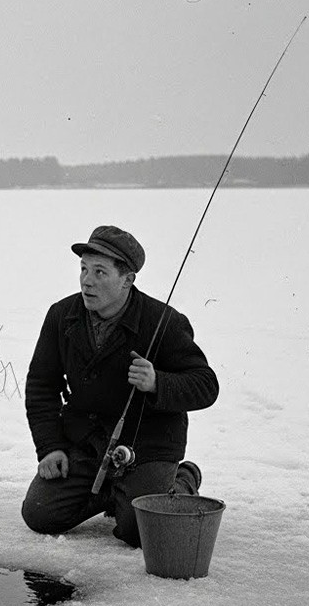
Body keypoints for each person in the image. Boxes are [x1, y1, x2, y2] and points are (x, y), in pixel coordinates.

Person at [20, 225, 219, 547]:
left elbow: (206, 385)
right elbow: (41, 386)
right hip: (86, 443)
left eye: (100, 272)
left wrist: (157, 382)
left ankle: (182, 479)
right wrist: (50, 447)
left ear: (127, 279)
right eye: (84, 269)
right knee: (40, 515)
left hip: (147, 447)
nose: (87, 280)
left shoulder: (164, 321)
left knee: (139, 532)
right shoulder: (61, 315)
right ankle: (116, 494)